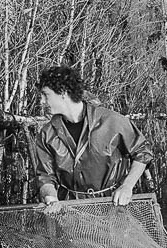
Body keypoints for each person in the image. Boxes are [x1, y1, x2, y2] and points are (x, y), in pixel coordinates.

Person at [35, 66, 153, 208]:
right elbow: (45, 176)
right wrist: (51, 198)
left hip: (112, 206)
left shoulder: (112, 121)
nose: (41, 101)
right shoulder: (47, 133)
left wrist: (127, 187)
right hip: (69, 209)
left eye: (45, 95)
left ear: (63, 93)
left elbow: (142, 152)